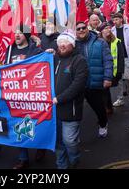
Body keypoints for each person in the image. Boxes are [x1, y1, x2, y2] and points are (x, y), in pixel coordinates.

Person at [4, 26, 43, 169]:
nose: (17, 35)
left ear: (26, 35)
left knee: (36, 123)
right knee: (18, 124)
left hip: (32, 93)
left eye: (20, 33)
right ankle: (23, 158)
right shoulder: (9, 50)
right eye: (15, 33)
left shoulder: (35, 50)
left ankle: (41, 147)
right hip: (15, 94)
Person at [53, 30, 88, 169]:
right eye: (60, 42)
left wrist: (59, 99)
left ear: (72, 44)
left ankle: (74, 158)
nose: (62, 45)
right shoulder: (54, 59)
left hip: (70, 110)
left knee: (69, 141)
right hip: (54, 110)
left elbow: (77, 86)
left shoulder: (79, 61)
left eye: (65, 42)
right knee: (58, 141)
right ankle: (61, 166)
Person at [75, 21, 113, 138]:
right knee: (74, 110)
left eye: (83, 27)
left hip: (95, 81)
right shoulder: (73, 44)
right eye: (78, 29)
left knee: (99, 107)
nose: (81, 30)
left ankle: (103, 124)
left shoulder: (100, 42)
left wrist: (107, 77)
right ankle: (73, 135)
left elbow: (108, 60)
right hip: (79, 83)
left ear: (88, 28)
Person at [111, 13, 129, 107]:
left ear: (121, 19)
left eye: (116, 19)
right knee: (119, 80)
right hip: (116, 59)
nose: (115, 22)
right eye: (113, 20)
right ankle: (120, 98)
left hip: (127, 57)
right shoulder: (112, 30)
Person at [100, 22, 124, 115]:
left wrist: (120, 70)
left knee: (105, 89)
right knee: (104, 90)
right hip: (102, 69)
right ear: (101, 31)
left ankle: (108, 108)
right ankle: (107, 108)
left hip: (113, 71)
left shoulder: (116, 41)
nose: (108, 30)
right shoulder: (98, 41)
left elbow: (120, 57)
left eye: (109, 28)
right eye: (106, 28)